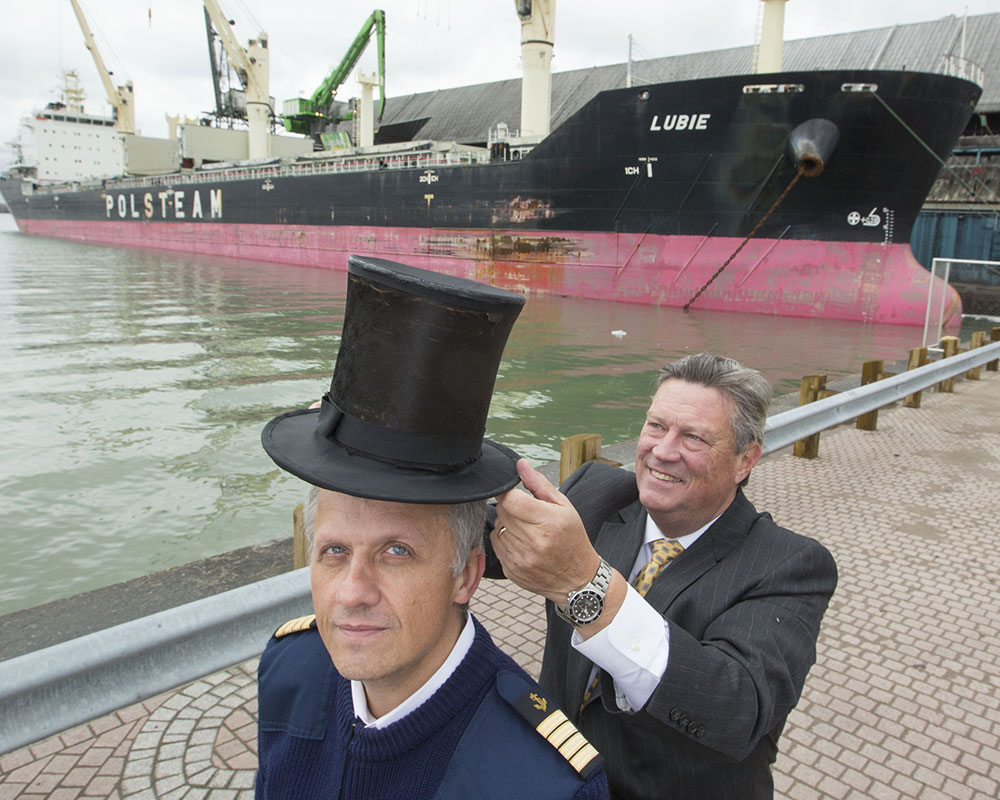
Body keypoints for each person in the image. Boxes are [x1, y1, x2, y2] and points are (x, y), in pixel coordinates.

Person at [254, 255, 610, 800]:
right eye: (333, 551)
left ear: (466, 576)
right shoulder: (290, 669)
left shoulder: (543, 784)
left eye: (397, 551)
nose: (351, 593)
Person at [489, 352, 838, 799]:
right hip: (550, 778)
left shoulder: (790, 565)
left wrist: (585, 582)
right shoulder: (596, 491)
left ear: (744, 461)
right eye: (656, 426)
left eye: (693, 437)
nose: (663, 450)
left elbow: (735, 712)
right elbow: (483, 539)